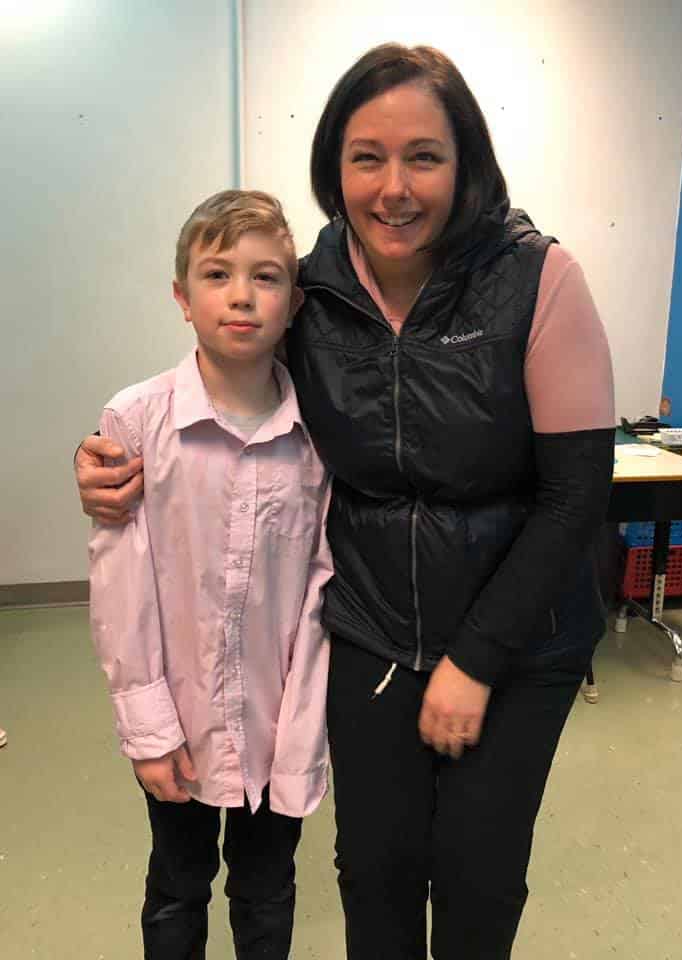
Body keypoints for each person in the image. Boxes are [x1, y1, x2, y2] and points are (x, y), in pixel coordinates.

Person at [76, 44, 615, 960]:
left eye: (424, 157)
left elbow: (577, 496)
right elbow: (223, 396)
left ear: (466, 164)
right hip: (370, 631)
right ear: (335, 168)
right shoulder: (309, 292)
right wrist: (100, 459)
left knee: (477, 874)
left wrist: (476, 659)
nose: (393, 187)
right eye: (367, 157)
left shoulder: (538, 279)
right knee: (374, 872)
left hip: (519, 639)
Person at [87, 189, 332, 960]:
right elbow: (121, 591)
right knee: (177, 882)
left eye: (266, 277)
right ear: (182, 297)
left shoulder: (321, 434)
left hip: (277, 723)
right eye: (217, 274)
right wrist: (148, 729)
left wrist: (304, 730)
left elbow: (322, 588)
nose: (241, 296)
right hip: (180, 721)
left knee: (267, 889)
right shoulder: (135, 421)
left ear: (294, 303)